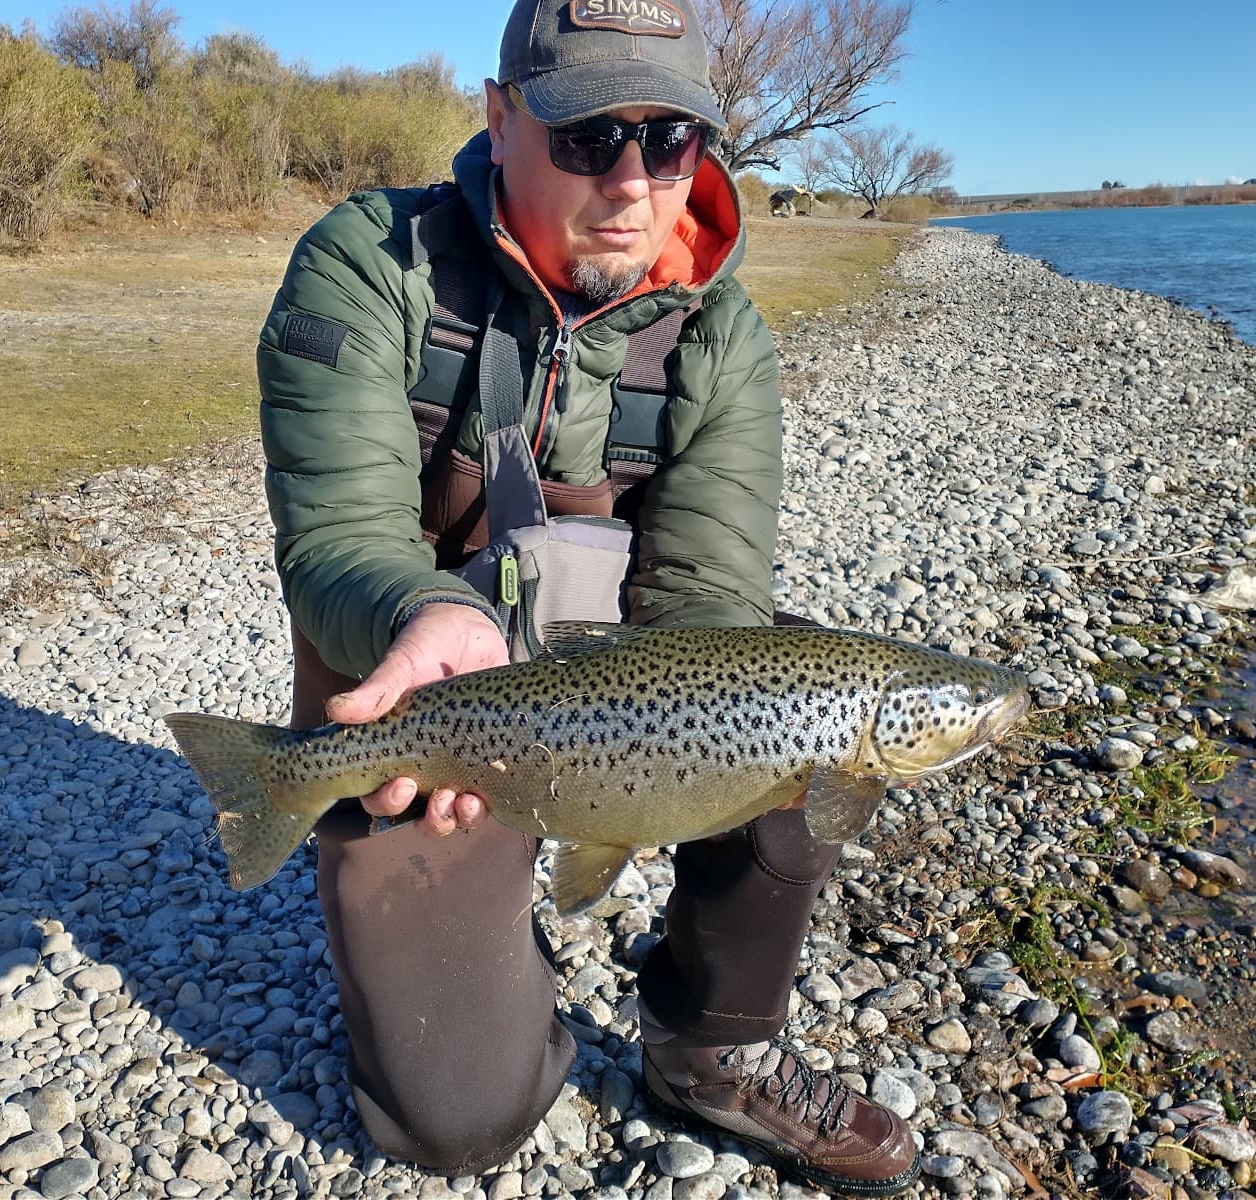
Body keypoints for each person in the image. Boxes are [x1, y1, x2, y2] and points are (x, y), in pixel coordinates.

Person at [255, 1, 918, 1193]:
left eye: (669, 140)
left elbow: (710, 601)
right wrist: (422, 621)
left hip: (605, 685)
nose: (632, 180)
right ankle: (409, 879)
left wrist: (651, 760)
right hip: (415, 683)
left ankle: (708, 1052)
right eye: (586, 136)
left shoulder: (723, 342)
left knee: (807, 713)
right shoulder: (370, 264)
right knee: (457, 1126)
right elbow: (336, 534)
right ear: (500, 117)